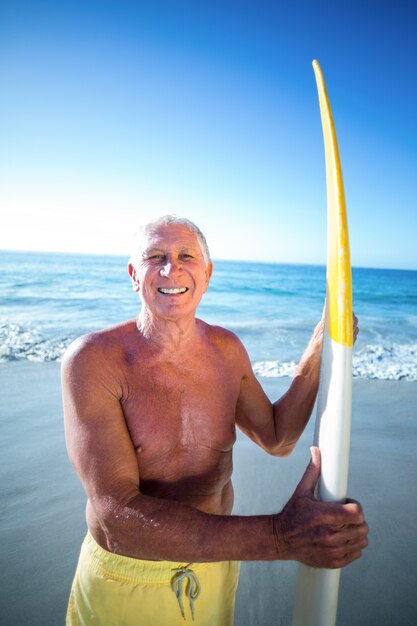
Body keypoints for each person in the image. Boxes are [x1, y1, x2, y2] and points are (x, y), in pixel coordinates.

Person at [62, 215, 368, 626]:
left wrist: (317, 351)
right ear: (135, 275)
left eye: (186, 255)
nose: (172, 268)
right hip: (128, 576)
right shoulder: (94, 361)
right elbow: (118, 517)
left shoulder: (226, 350)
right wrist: (279, 536)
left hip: (217, 566)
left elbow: (277, 438)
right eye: (156, 257)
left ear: (207, 274)